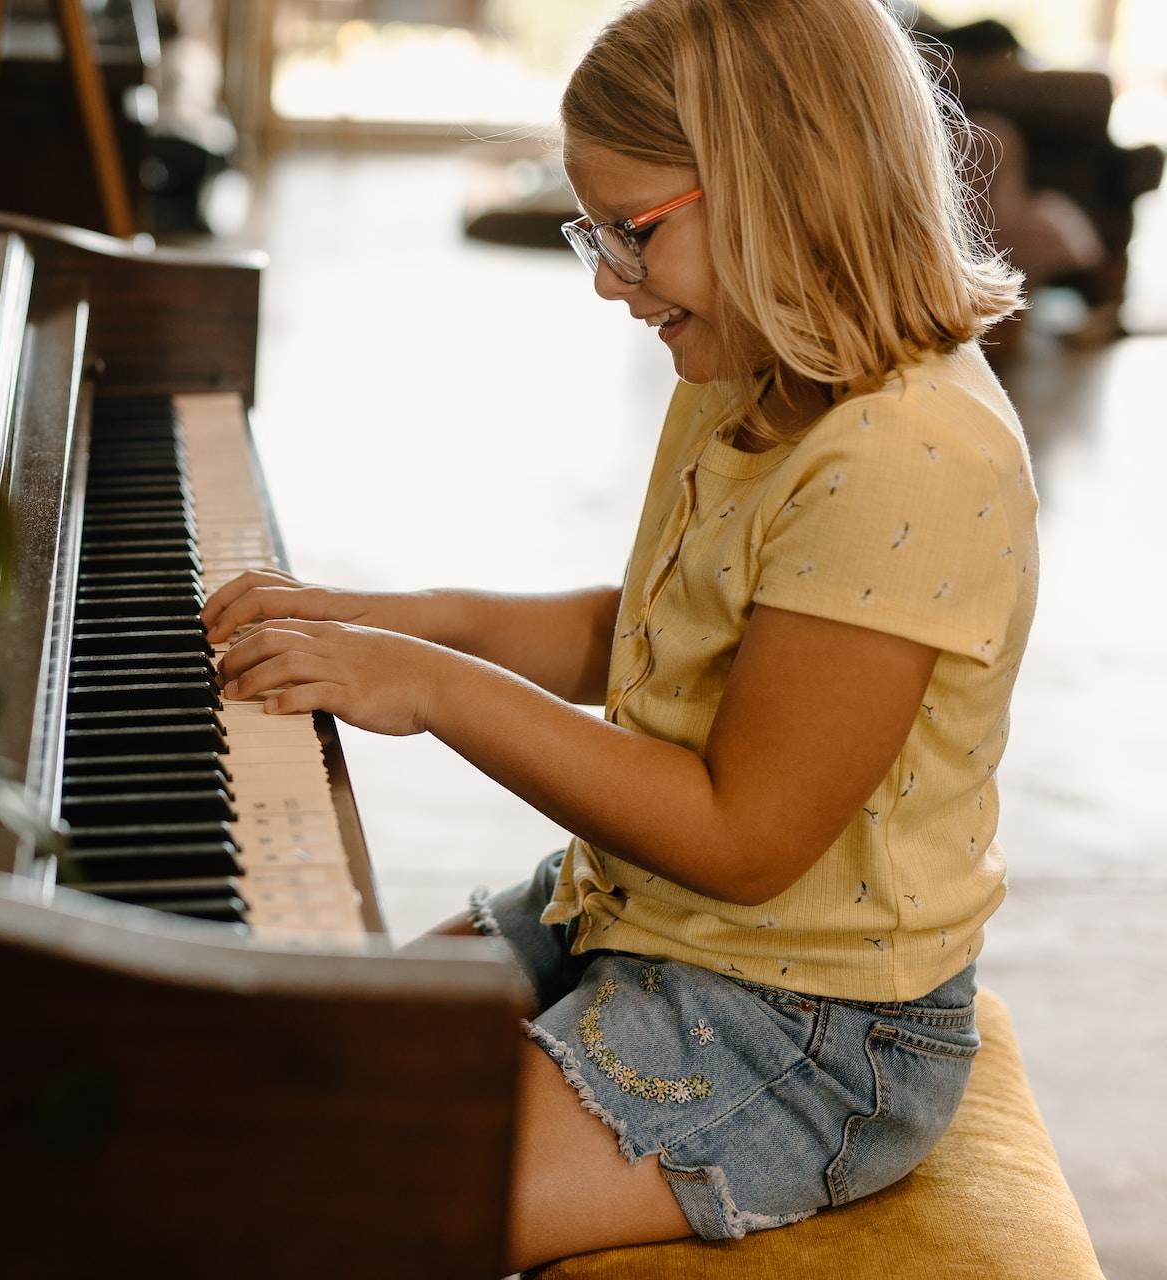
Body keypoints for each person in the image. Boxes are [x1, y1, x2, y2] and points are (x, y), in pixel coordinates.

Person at [202, 0, 1035, 1268]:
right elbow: (642, 630)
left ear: (782, 186)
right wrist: (382, 617)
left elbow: (740, 833)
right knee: (284, 1064)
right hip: (627, 913)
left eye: (630, 233)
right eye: (593, 231)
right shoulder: (755, 366)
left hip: (807, 1025)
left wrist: (434, 688)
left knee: (346, 1192)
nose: (604, 277)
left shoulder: (908, 457)